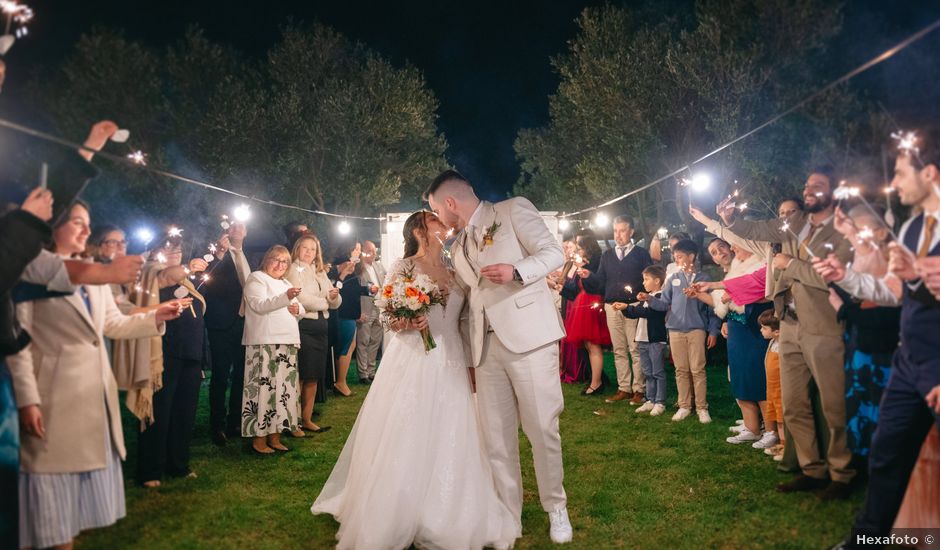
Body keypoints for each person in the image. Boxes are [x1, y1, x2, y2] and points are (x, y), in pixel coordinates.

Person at [312, 211, 519, 550]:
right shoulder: (403, 267)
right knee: (409, 426)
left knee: (452, 426)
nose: (445, 225)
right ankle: (397, 507)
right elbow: (389, 314)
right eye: (437, 221)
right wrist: (407, 322)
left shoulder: (456, 268)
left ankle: (449, 506)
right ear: (421, 231)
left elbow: (466, 316)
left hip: (451, 356)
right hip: (413, 358)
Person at [8, 201, 183, 549]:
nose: (86, 230)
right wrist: (27, 400)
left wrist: (155, 317)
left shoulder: (93, 272)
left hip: (90, 398)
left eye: (87, 223)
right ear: (52, 227)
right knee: (46, 504)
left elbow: (111, 324)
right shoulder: (29, 270)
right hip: (51, 398)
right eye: (77, 222)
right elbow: (17, 342)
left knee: (72, 511)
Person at [426, 170, 571, 544]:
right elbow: (467, 299)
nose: (439, 219)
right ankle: (508, 518)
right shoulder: (457, 248)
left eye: (436, 210)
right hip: (485, 349)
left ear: (449, 204)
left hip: (530, 339)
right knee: (497, 440)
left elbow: (553, 253)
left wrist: (517, 270)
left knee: (541, 428)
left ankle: (556, 507)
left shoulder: (511, 211)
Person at [814, 128, 940, 545]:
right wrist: (846, 275)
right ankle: (868, 539)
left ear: (931, 174)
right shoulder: (911, 230)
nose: (897, 182)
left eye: (902, 172)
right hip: (909, 364)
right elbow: (892, 291)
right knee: (887, 455)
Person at [718, 167, 856, 500]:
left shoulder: (842, 232)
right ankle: (811, 469)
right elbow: (756, 228)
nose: (809, 190)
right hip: (789, 327)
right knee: (793, 404)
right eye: (807, 184)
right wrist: (730, 219)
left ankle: (842, 474)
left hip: (823, 328)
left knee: (834, 406)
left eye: (817, 185)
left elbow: (831, 277)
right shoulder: (793, 226)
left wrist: (790, 266)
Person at [136, 232, 209, 487]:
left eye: (178, 251)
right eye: (169, 250)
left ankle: (178, 464)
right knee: (159, 412)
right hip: (163, 356)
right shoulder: (149, 279)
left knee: (184, 413)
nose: (175, 254)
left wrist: (200, 358)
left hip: (189, 355)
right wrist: (187, 268)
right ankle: (150, 469)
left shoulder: (187, 282)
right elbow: (166, 279)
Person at [694, 239, 774, 447]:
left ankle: (771, 430)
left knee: (758, 379)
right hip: (737, 330)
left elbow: (762, 295)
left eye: (730, 245)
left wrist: (733, 294)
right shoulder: (732, 272)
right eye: (714, 251)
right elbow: (721, 303)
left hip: (754, 330)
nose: (729, 249)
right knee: (740, 379)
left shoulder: (761, 265)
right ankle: (752, 428)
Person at [638, 239, 720, 423]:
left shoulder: (705, 279)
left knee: (698, 369)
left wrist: (713, 331)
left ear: (692, 256)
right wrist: (650, 299)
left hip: (697, 329)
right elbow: (664, 304)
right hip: (675, 330)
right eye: (675, 257)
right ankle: (684, 405)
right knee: (681, 369)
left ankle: (701, 407)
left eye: (680, 256)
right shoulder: (673, 279)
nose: (677, 260)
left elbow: (712, 309)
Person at [581, 215, 653, 405]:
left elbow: (650, 279)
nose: (618, 235)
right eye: (616, 231)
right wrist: (588, 275)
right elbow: (600, 283)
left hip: (632, 306)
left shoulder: (640, 254)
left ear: (631, 232)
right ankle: (624, 388)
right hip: (612, 306)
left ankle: (639, 389)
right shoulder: (607, 255)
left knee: (635, 348)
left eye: (622, 230)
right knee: (619, 350)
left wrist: (643, 298)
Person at [241, 245, 305, 454]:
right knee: (265, 391)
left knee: (283, 391)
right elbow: (259, 305)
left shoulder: (285, 283)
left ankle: (275, 436)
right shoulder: (256, 278)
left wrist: (298, 309)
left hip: (287, 342)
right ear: (266, 260)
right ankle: (259, 440)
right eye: (276, 260)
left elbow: (298, 308)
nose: (280, 265)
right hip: (265, 343)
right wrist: (286, 298)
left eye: (284, 261)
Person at [202, 222, 251, 446]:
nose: (237, 230)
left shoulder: (247, 257)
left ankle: (235, 422)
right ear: (226, 232)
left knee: (241, 375)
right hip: (221, 323)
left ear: (246, 232)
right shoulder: (214, 253)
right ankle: (217, 425)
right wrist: (220, 254)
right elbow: (206, 283)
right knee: (221, 377)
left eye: (242, 227)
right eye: (233, 227)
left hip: (244, 323)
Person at [286, 234, 341, 433]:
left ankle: (307, 418)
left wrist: (333, 298)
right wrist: (324, 300)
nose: (309, 252)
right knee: (301, 375)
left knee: (315, 375)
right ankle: (294, 421)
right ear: (297, 249)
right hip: (304, 326)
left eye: (313, 249)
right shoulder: (293, 269)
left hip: (321, 325)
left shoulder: (319, 271)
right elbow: (302, 298)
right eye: (305, 248)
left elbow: (335, 299)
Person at [612, 265, 668, 416]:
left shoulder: (660, 297)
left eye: (646, 279)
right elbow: (636, 313)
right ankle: (650, 399)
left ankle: (660, 401)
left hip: (656, 340)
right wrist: (624, 308)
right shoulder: (647, 297)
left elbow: (649, 312)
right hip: (643, 340)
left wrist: (628, 307)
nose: (643, 283)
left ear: (657, 281)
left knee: (657, 372)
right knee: (648, 372)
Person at [565, 230, 610, 395]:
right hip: (582, 303)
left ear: (587, 246)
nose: (577, 250)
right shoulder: (584, 262)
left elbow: (596, 285)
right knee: (587, 345)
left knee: (593, 344)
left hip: (591, 304)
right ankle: (596, 379)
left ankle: (596, 383)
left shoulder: (596, 262)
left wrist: (585, 272)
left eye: (579, 247)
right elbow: (576, 286)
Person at [329, 241, 373, 397]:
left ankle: (341, 380)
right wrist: (343, 273)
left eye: (359, 250)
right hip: (342, 313)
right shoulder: (338, 268)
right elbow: (336, 288)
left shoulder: (355, 269)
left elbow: (353, 290)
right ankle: (340, 382)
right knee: (345, 348)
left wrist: (368, 290)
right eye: (355, 249)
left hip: (351, 313)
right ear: (347, 250)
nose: (358, 252)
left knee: (350, 346)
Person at [355, 240, 385, 383]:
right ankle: (363, 374)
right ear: (363, 252)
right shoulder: (357, 268)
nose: (373, 254)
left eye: (375, 251)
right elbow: (354, 292)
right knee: (363, 341)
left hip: (379, 307)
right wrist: (356, 312)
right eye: (370, 251)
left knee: (375, 341)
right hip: (364, 308)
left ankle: (371, 371)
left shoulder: (379, 267)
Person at [758, 310, 786, 461]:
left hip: (782, 389)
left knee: (783, 417)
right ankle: (782, 444)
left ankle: (788, 447)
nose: (761, 331)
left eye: (764, 328)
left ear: (777, 332)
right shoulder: (772, 343)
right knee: (777, 417)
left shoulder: (783, 346)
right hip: (772, 388)